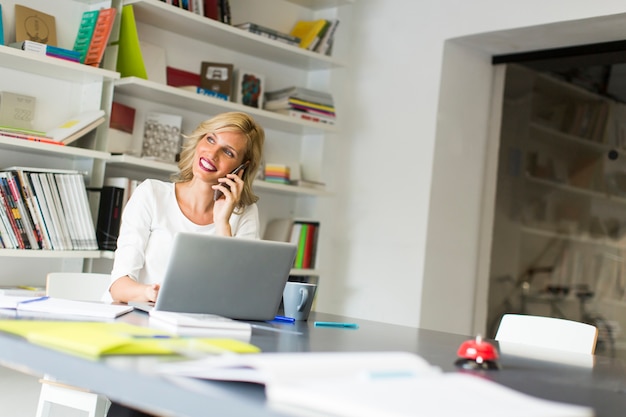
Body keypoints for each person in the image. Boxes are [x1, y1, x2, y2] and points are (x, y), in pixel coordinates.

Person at [106, 111, 265, 304]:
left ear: (241, 167)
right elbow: (118, 286)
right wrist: (151, 293)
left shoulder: (244, 213)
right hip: (139, 314)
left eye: (228, 152)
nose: (212, 154)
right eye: (211, 139)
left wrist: (223, 224)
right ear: (199, 139)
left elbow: (237, 293)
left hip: (201, 323)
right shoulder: (151, 194)